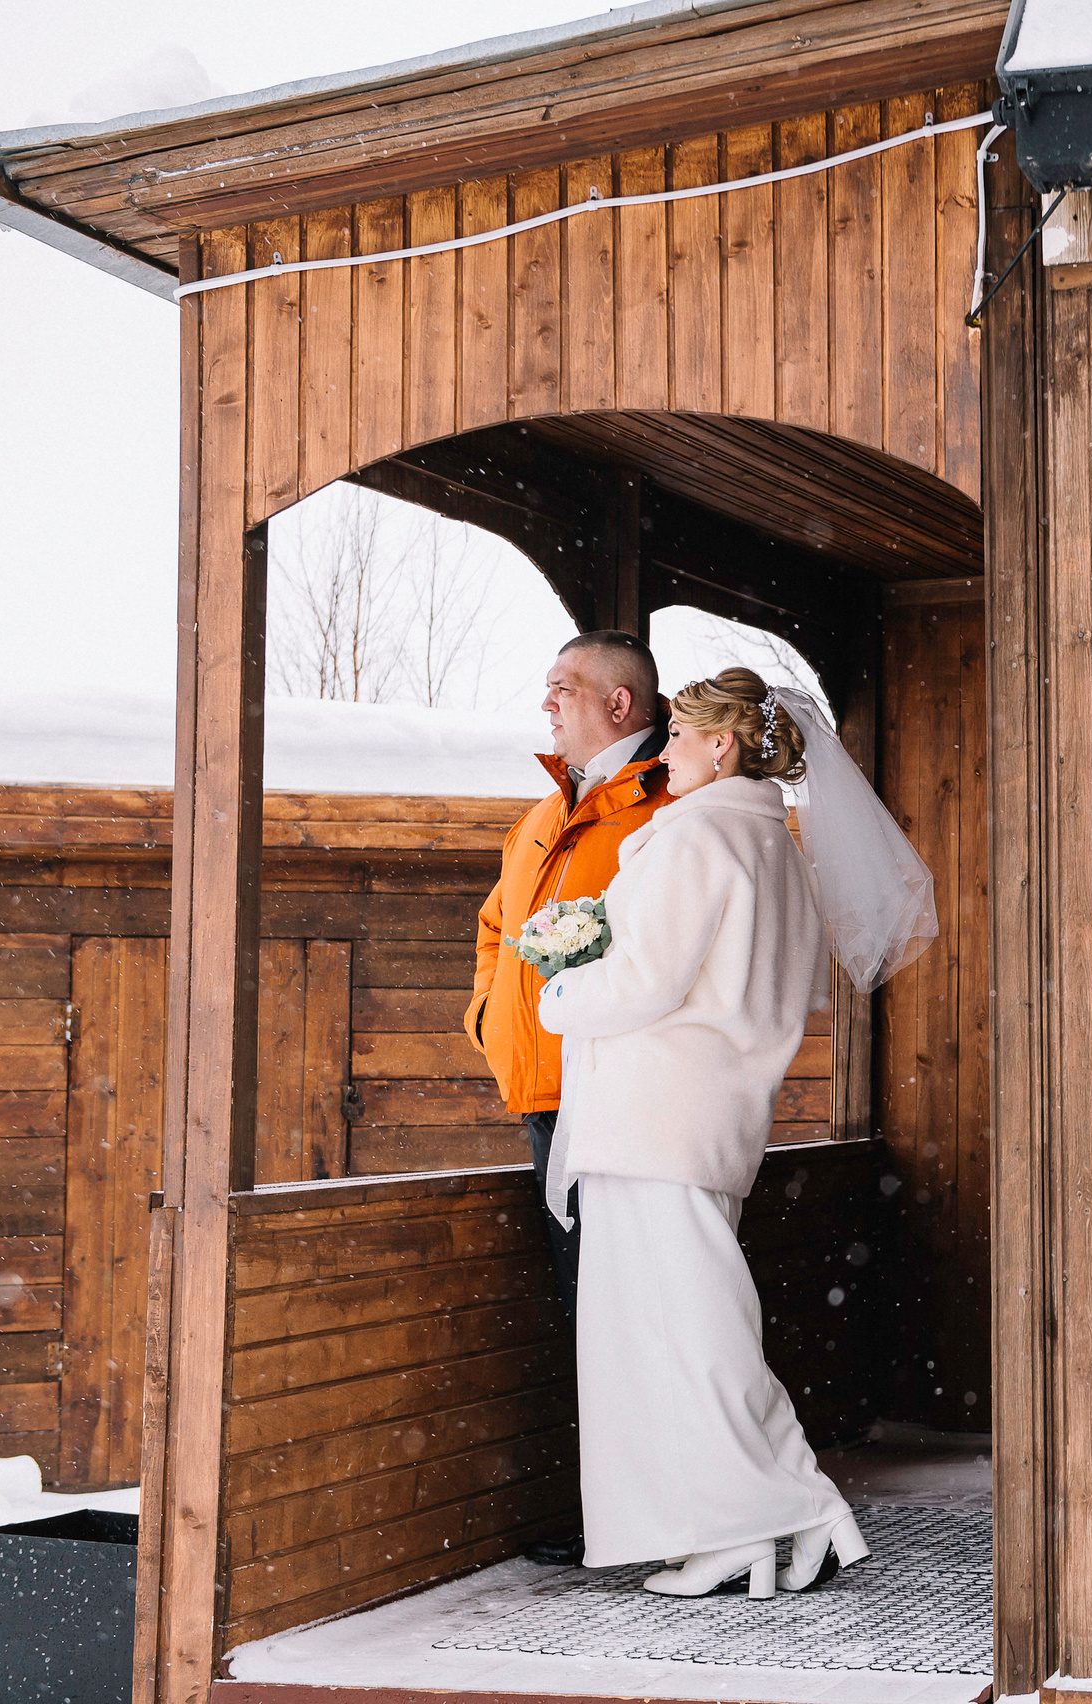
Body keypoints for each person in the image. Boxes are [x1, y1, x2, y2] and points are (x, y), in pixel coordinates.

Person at [536, 666, 937, 1598]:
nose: (664, 753)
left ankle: (776, 1510)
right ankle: (747, 1521)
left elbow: (643, 983)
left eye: (676, 736)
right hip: (711, 1114)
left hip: (653, 1115)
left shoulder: (694, 842)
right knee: (693, 1326)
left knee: (683, 1333)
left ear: (722, 747)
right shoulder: (773, 848)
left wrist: (558, 990)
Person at [466, 629, 678, 1568]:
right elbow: (495, 927)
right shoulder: (545, 812)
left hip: (621, 1099)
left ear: (620, 704)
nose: (547, 703)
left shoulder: (664, 806)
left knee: (628, 1304)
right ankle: (617, 1514)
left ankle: (650, 1517)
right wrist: (488, 1018)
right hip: (545, 1097)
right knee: (581, 1302)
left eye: (565, 687)